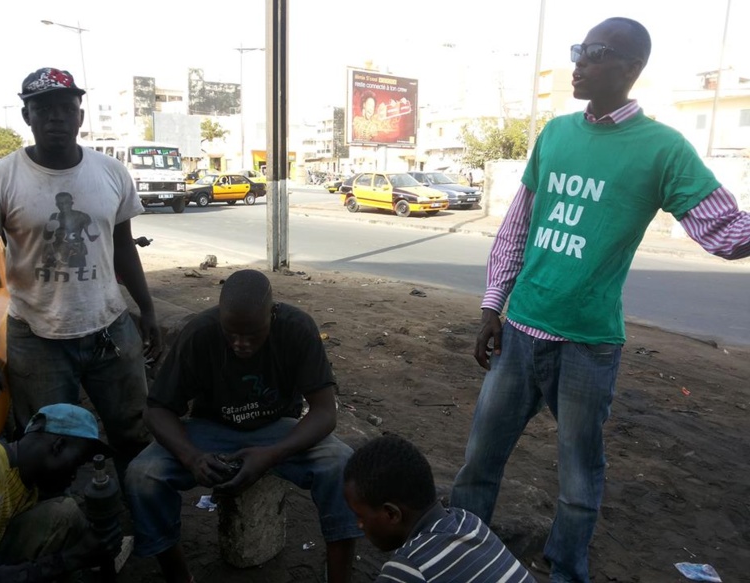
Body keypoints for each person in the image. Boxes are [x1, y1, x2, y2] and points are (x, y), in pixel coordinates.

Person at [451, 17, 750, 583]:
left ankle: (565, 569)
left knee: (578, 478)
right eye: (579, 50)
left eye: (597, 53)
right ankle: (463, 553)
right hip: (520, 332)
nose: (579, 63)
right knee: (478, 460)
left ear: (632, 68)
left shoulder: (664, 149)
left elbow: (725, 232)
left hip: (588, 345)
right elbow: (517, 228)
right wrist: (493, 308)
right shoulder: (556, 135)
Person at [0, 67, 162, 482]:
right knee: (45, 446)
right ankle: (60, 527)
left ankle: (145, 521)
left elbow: (123, 248)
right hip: (36, 336)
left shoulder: (111, 173)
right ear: (27, 116)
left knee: (135, 432)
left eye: (65, 108)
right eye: (43, 108)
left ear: (80, 115)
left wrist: (146, 310)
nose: (55, 117)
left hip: (109, 329)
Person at [124, 269, 363, 583]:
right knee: (142, 475)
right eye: (231, 333)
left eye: (252, 334)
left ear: (272, 316)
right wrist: (191, 457)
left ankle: (340, 578)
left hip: (277, 429)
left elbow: (324, 412)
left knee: (341, 464)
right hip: (211, 430)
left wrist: (272, 454)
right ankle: (178, 576)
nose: (240, 344)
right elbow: (157, 410)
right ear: (220, 318)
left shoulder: (297, 329)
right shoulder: (200, 333)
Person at [344, 434, 535, 583]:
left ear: (392, 514)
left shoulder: (410, 569)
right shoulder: (470, 522)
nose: (359, 524)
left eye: (360, 516)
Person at [0, 403, 122, 582]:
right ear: (58, 447)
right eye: (77, 463)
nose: (74, 476)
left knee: (63, 514)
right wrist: (72, 558)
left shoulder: (28, 484)